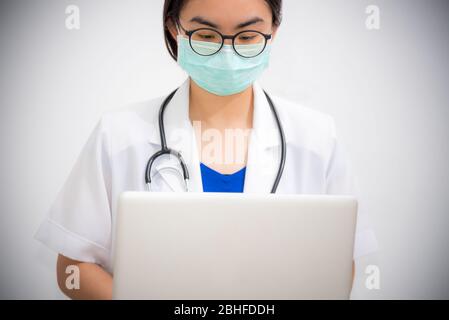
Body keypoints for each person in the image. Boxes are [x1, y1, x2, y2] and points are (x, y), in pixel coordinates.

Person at [35, 0, 377, 299]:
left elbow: (338, 267)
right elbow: (74, 270)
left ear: (274, 29)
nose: (226, 53)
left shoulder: (318, 138)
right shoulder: (118, 135)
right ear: (174, 27)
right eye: (206, 35)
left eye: (246, 37)